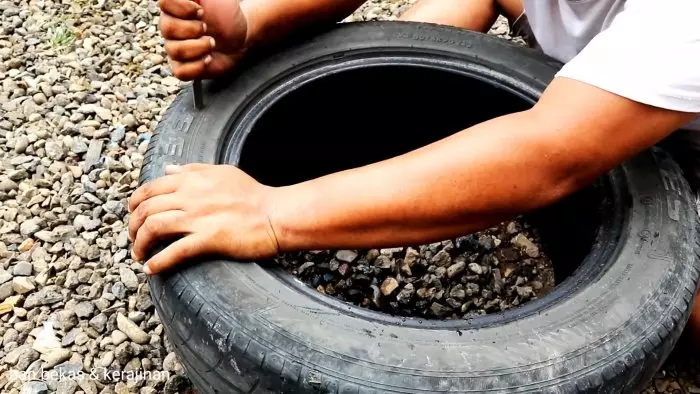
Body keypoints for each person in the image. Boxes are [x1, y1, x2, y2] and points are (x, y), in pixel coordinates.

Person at [129, 0, 700, 328]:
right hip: (607, 82)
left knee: (680, 310)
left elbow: (550, 155)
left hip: (681, 131)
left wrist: (271, 213)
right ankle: (390, 125)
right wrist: (253, 27)